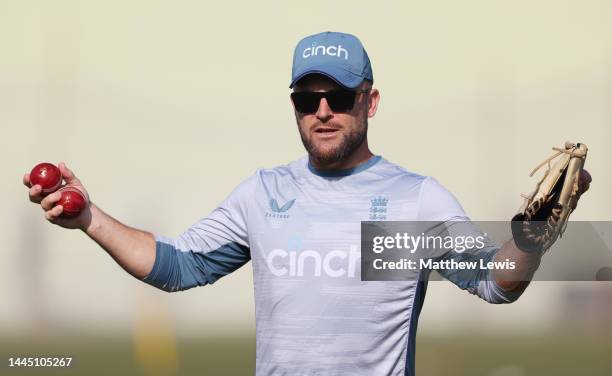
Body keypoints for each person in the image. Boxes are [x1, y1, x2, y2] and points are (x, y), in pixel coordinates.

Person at [24, 31, 591, 376]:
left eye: (339, 96)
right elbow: (177, 267)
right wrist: (88, 218)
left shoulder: (412, 199)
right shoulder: (264, 194)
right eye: (307, 97)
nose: (322, 110)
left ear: (370, 102)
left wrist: (533, 239)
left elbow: (495, 283)